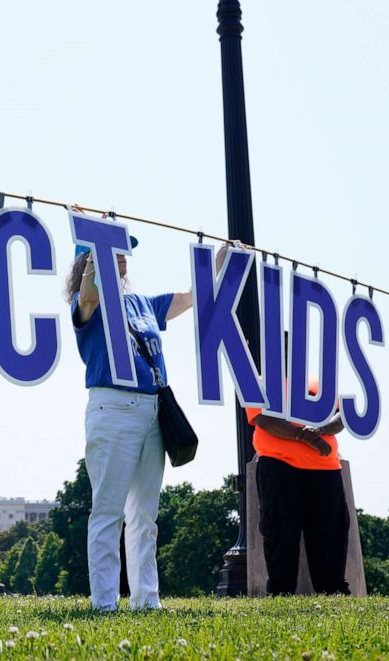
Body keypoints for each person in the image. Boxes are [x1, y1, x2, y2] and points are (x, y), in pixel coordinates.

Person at [67, 228, 233, 611]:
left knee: (145, 514)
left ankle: (147, 601)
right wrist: (97, 256)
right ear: (88, 260)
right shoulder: (87, 300)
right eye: (114, 253)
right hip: (112, 409)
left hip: (151, 410)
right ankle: (105, 603)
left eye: (123, 254)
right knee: (108, 510)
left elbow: (193, 297)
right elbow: (89, 295)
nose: (123, 259)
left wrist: (222, 257)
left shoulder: (141, 302)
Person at [247, 380, 351, 595]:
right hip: (279, 465)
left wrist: (319, 430)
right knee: (280, 532)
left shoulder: (319, 381)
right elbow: (263, 419)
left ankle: (334, 594)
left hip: (326, 468)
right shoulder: (258, 381)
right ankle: (281, 594)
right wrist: (304, 435)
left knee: (331, 534)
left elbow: (343, 416)